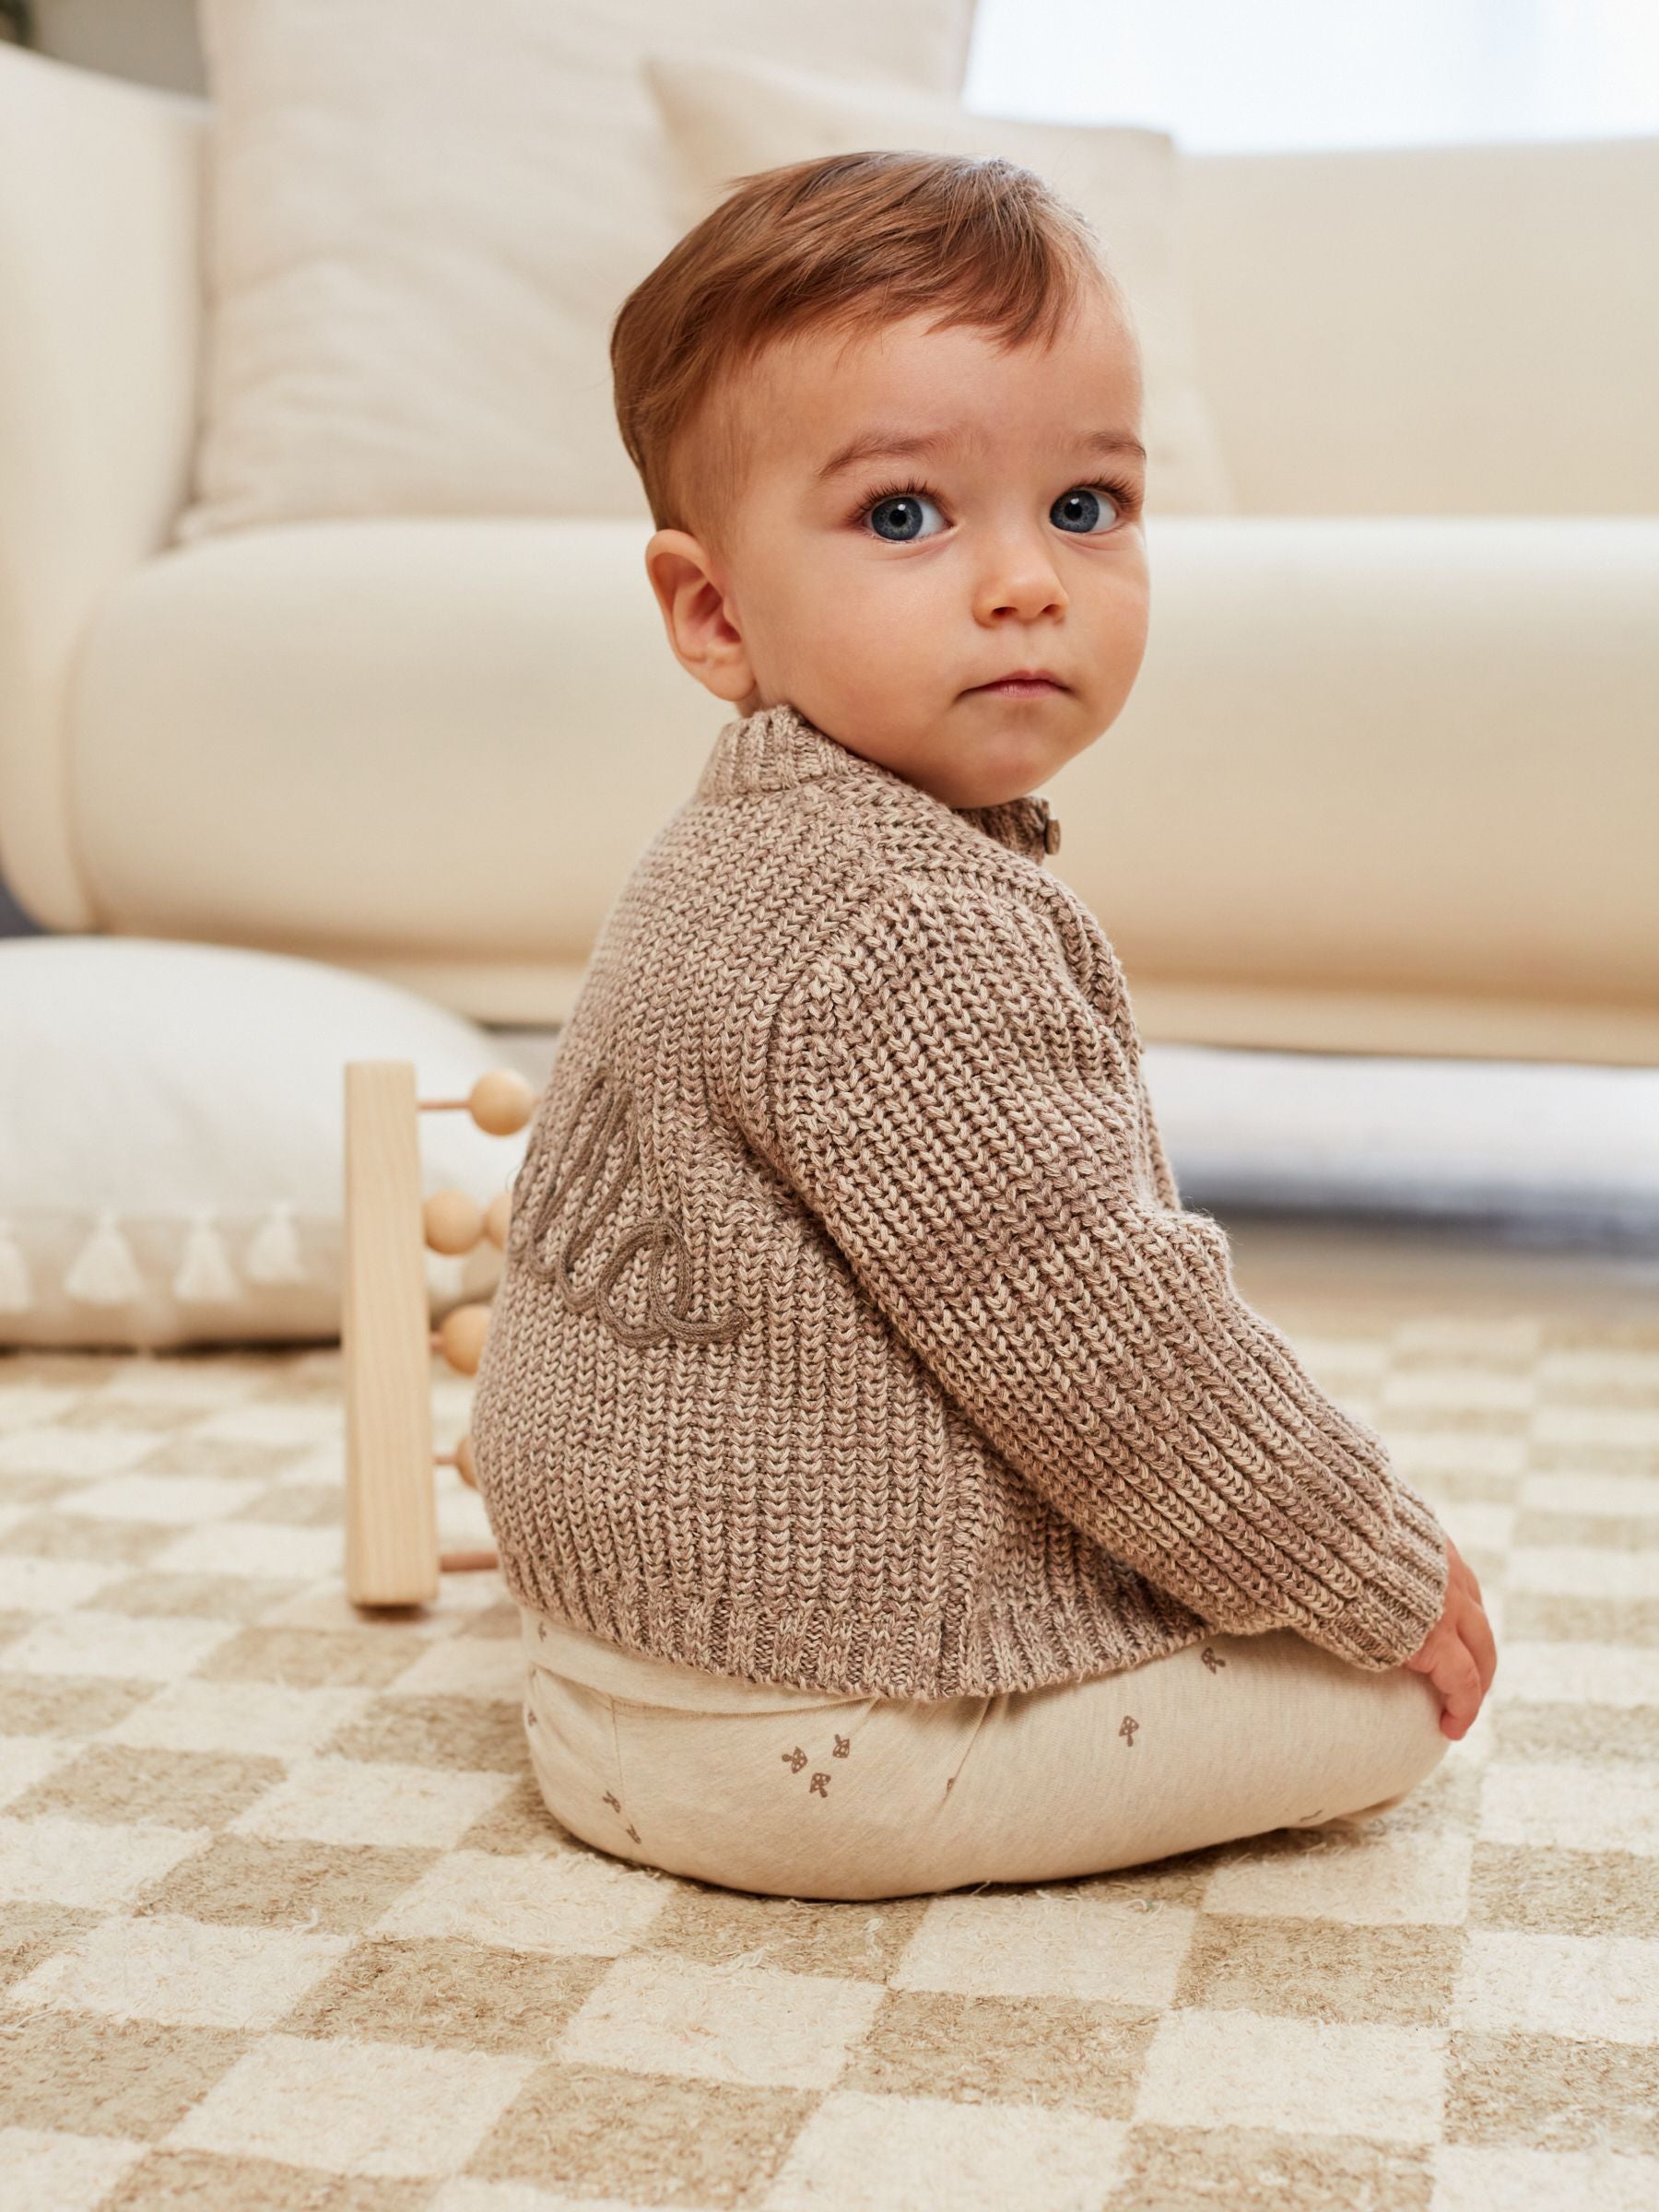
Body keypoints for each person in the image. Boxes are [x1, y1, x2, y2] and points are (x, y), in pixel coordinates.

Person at [469, 148, 1498, 1902]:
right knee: (1384, 1713)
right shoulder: (904, 930)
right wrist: (1377, 1568)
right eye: (904, 516)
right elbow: (1119, 1358)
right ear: (714, 613)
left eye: (1086, 507)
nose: (1028, 582)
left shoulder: (745, 846)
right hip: (815, 1749)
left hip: (613, 1661)